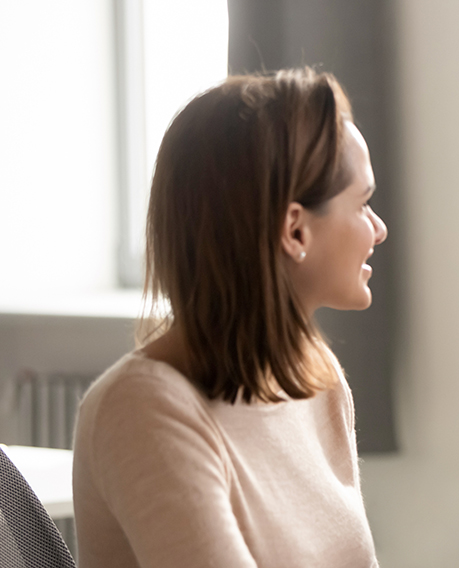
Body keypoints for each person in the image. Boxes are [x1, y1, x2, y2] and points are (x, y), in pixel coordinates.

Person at [72, 68, 387, 567]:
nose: (379, 228)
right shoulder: (142, 408)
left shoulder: (316, 377)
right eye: (363, 202)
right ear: (296, 232)